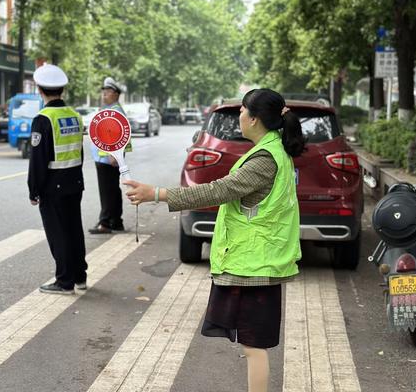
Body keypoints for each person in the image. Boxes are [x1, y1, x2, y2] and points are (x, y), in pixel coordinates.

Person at [124, 88, 305, 392]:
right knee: (252, 345)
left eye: (243, 110)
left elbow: (218, 190)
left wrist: (156, 194)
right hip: (256, 261)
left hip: (255, 264)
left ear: (256, 119)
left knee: (253, 346)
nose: (239, 115)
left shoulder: (265, 159)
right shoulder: (272, 150)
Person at [28, 64, 88, 295]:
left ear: (40, 90)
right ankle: (80, 276)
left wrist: (34, 190)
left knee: (58, 233)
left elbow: (38, 160)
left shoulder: (43, 119)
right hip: (75, 181)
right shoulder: (74, 115)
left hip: (53, 185)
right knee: (74, 229)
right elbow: (78, 151)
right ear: (61, 89)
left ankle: (64, 281)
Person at [88, 77, 130, 234]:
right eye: (103, 92)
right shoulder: (110, 109)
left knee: (107, 190)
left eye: (107, 92)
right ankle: (116, 221)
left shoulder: (115, 111)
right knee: (112, 189)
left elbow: (119, 135)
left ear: (115, 94)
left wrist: (115, 154)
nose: (104, 95)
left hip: (107, 159)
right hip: (105, 158)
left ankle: (105, 222)